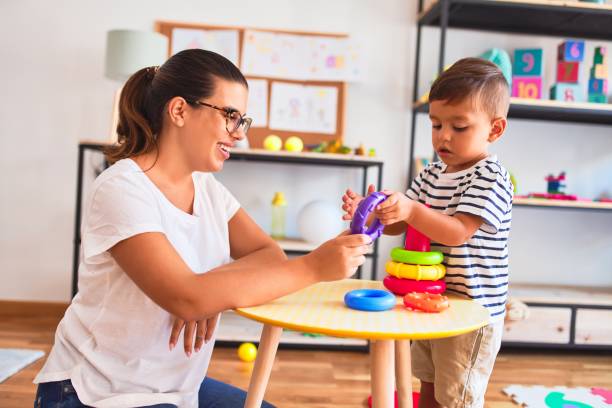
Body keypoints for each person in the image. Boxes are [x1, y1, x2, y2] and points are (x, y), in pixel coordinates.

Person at [34, 49, 371, 408]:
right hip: (95, 392)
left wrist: (211, 293)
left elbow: (268, 255)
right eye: (229, 116)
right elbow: (185, 297)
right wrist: (312, 267)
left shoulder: (208, 189)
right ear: (179, 110)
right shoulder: (121, 188)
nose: (238, 134)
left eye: (242, 120)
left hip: (177, 389)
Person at [342, 57, 513, 408]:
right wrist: (373, 213)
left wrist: (411, 208)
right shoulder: (432, 173)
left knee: (456, 399)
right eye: (436, 125)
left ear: (494, 130)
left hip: (471, 313)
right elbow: (403, 224)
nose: (443, 136)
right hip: (429, 302)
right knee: (429, 389)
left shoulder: (491, 177)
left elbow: (458, 232)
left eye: (459, 126)